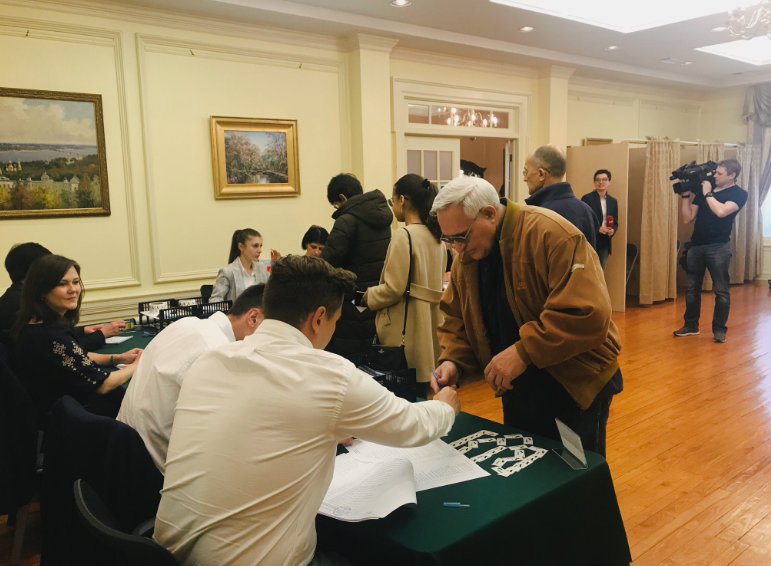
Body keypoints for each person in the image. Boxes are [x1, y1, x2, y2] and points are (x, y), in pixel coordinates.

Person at [153, 256, 459, 566]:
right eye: (335, 322)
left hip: (166, 556)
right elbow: (412, 426)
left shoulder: (209, 361)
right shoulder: (328, 375)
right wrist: (445, 405)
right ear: (319, 318)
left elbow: (257, 424)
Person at [430, 176, 622, 456]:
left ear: (489, 213)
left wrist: (523, 351)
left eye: (461, 237)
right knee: (528, 467)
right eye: (449, 240)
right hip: (518, 387)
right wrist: (453, 361)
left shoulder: (551, 233)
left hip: (574, 384)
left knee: (576, 473)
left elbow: (587, 313)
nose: (456, 248)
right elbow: (457, 318)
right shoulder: (467, 258)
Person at [117, 284, 265, 474]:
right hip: (154, 471)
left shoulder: (187, 323)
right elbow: (218, 438)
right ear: (253, 318)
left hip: (124, 452)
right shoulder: (217, 352)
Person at [13, 255, 142, 421]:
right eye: (62, 284)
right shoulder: (51, 335)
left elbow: (75, 356)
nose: (73, 289)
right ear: (42, 290)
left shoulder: (37, 323)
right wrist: (138, 364)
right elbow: (103, 385)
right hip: (65, 419)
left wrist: (117, 358)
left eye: (75, 282)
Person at [362, 174, 446, 388]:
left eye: (392, 201)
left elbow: (394, 288)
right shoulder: (438, 236)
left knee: (402, 391)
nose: (392, 207)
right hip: (431, 323)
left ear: (402, 200)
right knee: (424, 388)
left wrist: (369, 296)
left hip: (407, 326)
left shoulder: (404, 235)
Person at [320, 173, 393, 359]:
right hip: (377, 295)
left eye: (336, 204)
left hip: (353, 298)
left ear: (343, 198)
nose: (337, 209)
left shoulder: (347, 220)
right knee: (373, 353)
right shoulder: (383, 220)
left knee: (352, 355)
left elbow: (326, 263)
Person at [0, 243, 124, 351]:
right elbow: (60, 349)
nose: (72, 289)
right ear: (38, 270)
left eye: (76, 282)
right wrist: (102, 334)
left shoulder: (15, 295)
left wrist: (82, 330)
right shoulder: (24, 303)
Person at [674, 159, 747, 343]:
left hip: (718, 247)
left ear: (732, 175)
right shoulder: (704, 191)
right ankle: (691, 326)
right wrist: (685, 196)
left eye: (719, 173)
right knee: (692, 289)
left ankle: (719, 330)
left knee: (721, 291)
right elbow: (688, 218)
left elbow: (721, 212)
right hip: (696, 246)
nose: (715, 176)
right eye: (715, 172)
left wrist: (707, 193)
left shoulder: (738, 194)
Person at [523, 145, 598, 250]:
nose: (525, 178)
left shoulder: (541, 215)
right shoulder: (587, 211)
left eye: (526, 172)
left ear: (541, 174)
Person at [210, 228, 270, 303]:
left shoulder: (262, 268)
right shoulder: (227, 272)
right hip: (237, 310)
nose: (260, 250)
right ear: (241, 246)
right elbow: (214, 301)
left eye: (260, 246)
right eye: (255, 246)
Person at [581, 169, 619, 269]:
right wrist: (598, 229)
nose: (601, 182)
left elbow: (615, 222)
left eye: (604, 179)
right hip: (591, 239)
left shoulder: (613, 201)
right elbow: (583, 220)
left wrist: (612, 230)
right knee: (589, 269)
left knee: (601, 269)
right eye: (598, 180)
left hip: (605, 240)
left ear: (609, 182)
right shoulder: (586, 198)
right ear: (594, 182)